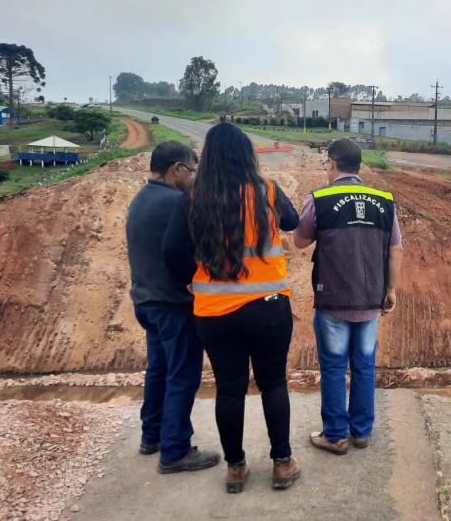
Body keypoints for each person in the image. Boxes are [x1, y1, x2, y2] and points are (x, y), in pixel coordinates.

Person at [162, 122, 301, 494]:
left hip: (216, 313)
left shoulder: (192, 199)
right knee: (273, 383)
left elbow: (172, 251)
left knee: (229, 390)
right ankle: (282, 463)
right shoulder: (267, 191)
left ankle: (236, 468)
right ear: (246, 156)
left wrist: (188, 282)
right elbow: (293, 221)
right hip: (269, 308)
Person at [293, 138, 403, 454]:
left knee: (333, 366)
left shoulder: (320, 199)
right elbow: (396, 248)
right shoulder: (384, 201)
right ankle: (361, 432)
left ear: (332, 163)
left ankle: (335, 435)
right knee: (364, 364)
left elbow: (300, 241)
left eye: (326, 164)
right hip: (370, 301)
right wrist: (390, 289)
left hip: (333, 301)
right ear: (359, 166)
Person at [125, 140, 220, 474]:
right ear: (177, 168)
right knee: (182, 375)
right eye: (192, 170)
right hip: (173, 304)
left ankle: (152, 436)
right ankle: (176, 450)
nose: (193, 177)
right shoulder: (177, 203)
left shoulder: (140, 199)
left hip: (146, 302)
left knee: (159, 370)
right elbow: (194, 249)